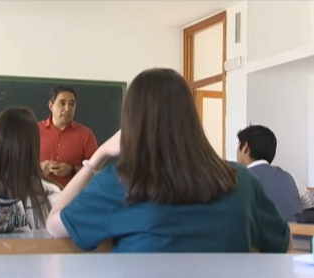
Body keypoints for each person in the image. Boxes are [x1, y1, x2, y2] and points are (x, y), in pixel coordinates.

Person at [46, 68, 291, 253]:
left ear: (132, 122)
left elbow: (54, 225)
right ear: (191, 118)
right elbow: (283, 241)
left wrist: (98, 157)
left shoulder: (119, 183)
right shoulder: (242, 180)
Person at [237, 125, 314, 222]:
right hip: (297, 235)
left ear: (245, 147)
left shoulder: (237, 180)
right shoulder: (290, 178)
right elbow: (310, 204)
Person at [39, 86, 98, 187]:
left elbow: (97, 171)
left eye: (72, 104)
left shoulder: (86, 135)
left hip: (73, 198)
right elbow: (18, 165)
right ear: (51, 105)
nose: (67, 108)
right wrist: (39, 167)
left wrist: (72, 169)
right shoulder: (34, 130)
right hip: (37, 196)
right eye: (62, 103)